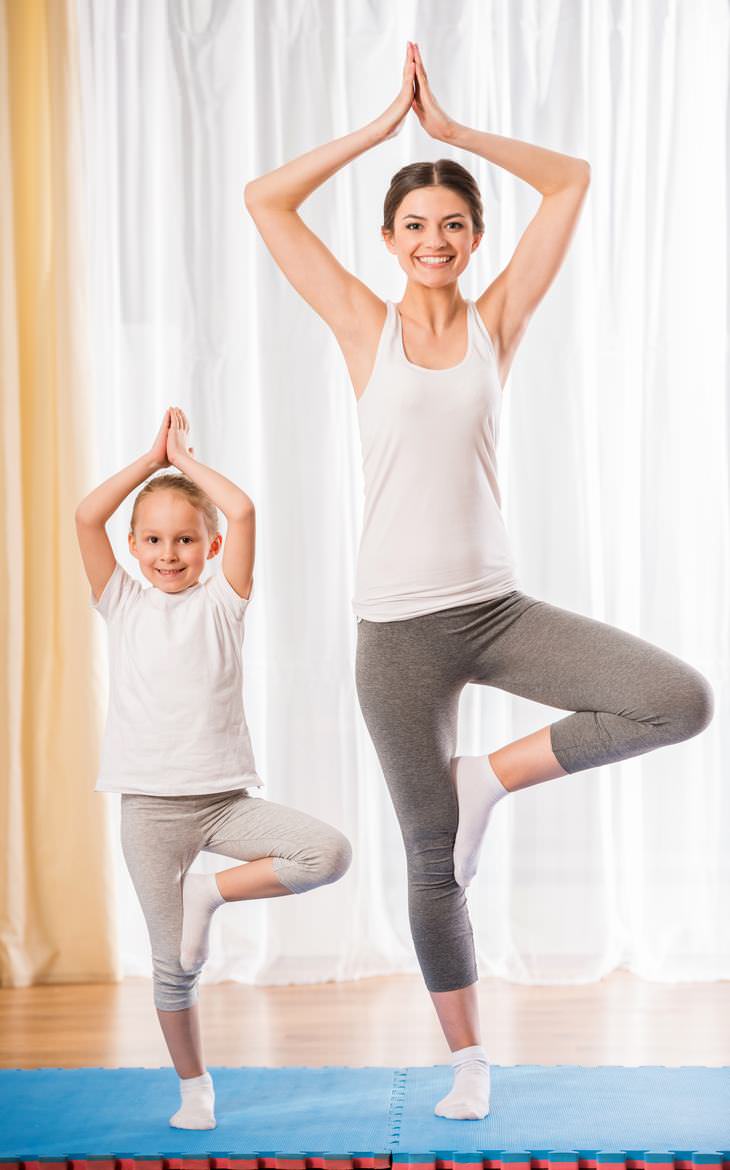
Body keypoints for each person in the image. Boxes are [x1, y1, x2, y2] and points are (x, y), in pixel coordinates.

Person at [243, 42, 714, 1120]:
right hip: (396, 636)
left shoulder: (498, 323)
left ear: (474, 237)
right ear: (389, 241)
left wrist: (451, 136)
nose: (434, 240)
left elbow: (571, 182)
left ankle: (486, 778)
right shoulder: (366, 328)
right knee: (429, 862)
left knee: (674, 699)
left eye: (453, 222)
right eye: (413, 225)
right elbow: (265, 201)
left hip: (496, 611)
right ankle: (466, 1062)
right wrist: (379, 133)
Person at [75, 406, 352, 1131]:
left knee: (328, 852)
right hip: (150, 812)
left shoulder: (225, 603)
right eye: (156, 540)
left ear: (212, 546)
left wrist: (187, 462)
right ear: (132, 547)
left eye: (187, 540)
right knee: (174, 967)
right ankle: (194, 1089)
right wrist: (150, 459)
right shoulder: (121, 602)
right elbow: (84, 516)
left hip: (225, 803)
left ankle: (210, 894)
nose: (171, 553)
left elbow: (245, 506)